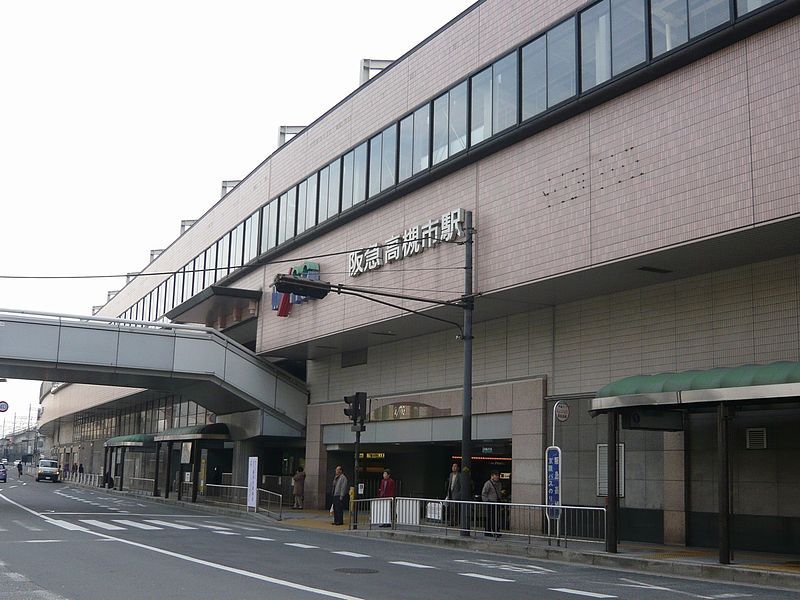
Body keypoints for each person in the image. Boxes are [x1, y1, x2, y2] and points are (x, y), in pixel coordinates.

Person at [481, 470, 502, 538]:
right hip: (490, 503)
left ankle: (496, 530)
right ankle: (488, 531)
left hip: (497, 503)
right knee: (490, 518)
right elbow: (484, 493)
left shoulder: (499, 484)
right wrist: (486, 501)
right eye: (496, 475)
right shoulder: (488, 483)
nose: (497, 477)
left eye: (498, 475)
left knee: (496, 517)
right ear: (492, 476)